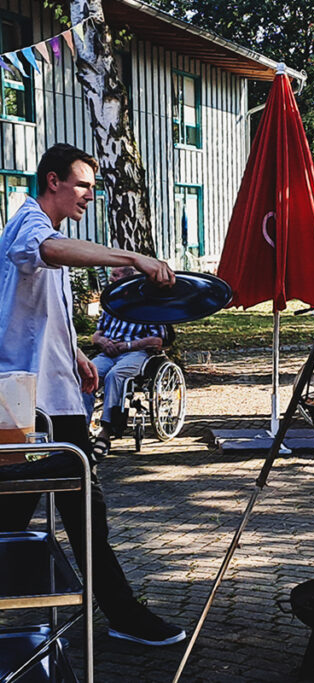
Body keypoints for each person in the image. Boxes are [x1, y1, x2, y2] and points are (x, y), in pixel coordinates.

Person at [0, 144, 186, 645]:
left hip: (48, 398)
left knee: (68, 512)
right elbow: (48, 251)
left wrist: (77, 355)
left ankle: (123, 614)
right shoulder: (30, 223)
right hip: (31, 405)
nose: (89, 195)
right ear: (53, 181)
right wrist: (133, 257)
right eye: (82, 185)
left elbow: (39, 316)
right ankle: (124, 616)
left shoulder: (45, 227)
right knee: (60, 511)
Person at [82, 266, 170, 459]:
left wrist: (128, 345)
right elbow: (97, 334)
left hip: (136, 353)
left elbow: (157, 341)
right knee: (87, 375)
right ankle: (81, 429)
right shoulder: (112, 303)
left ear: (128, 279)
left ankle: (106, 432)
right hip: (108, 352)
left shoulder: (148, 305)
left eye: (115, 275)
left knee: (116, 375)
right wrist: (103, 342)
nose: (111, 279)